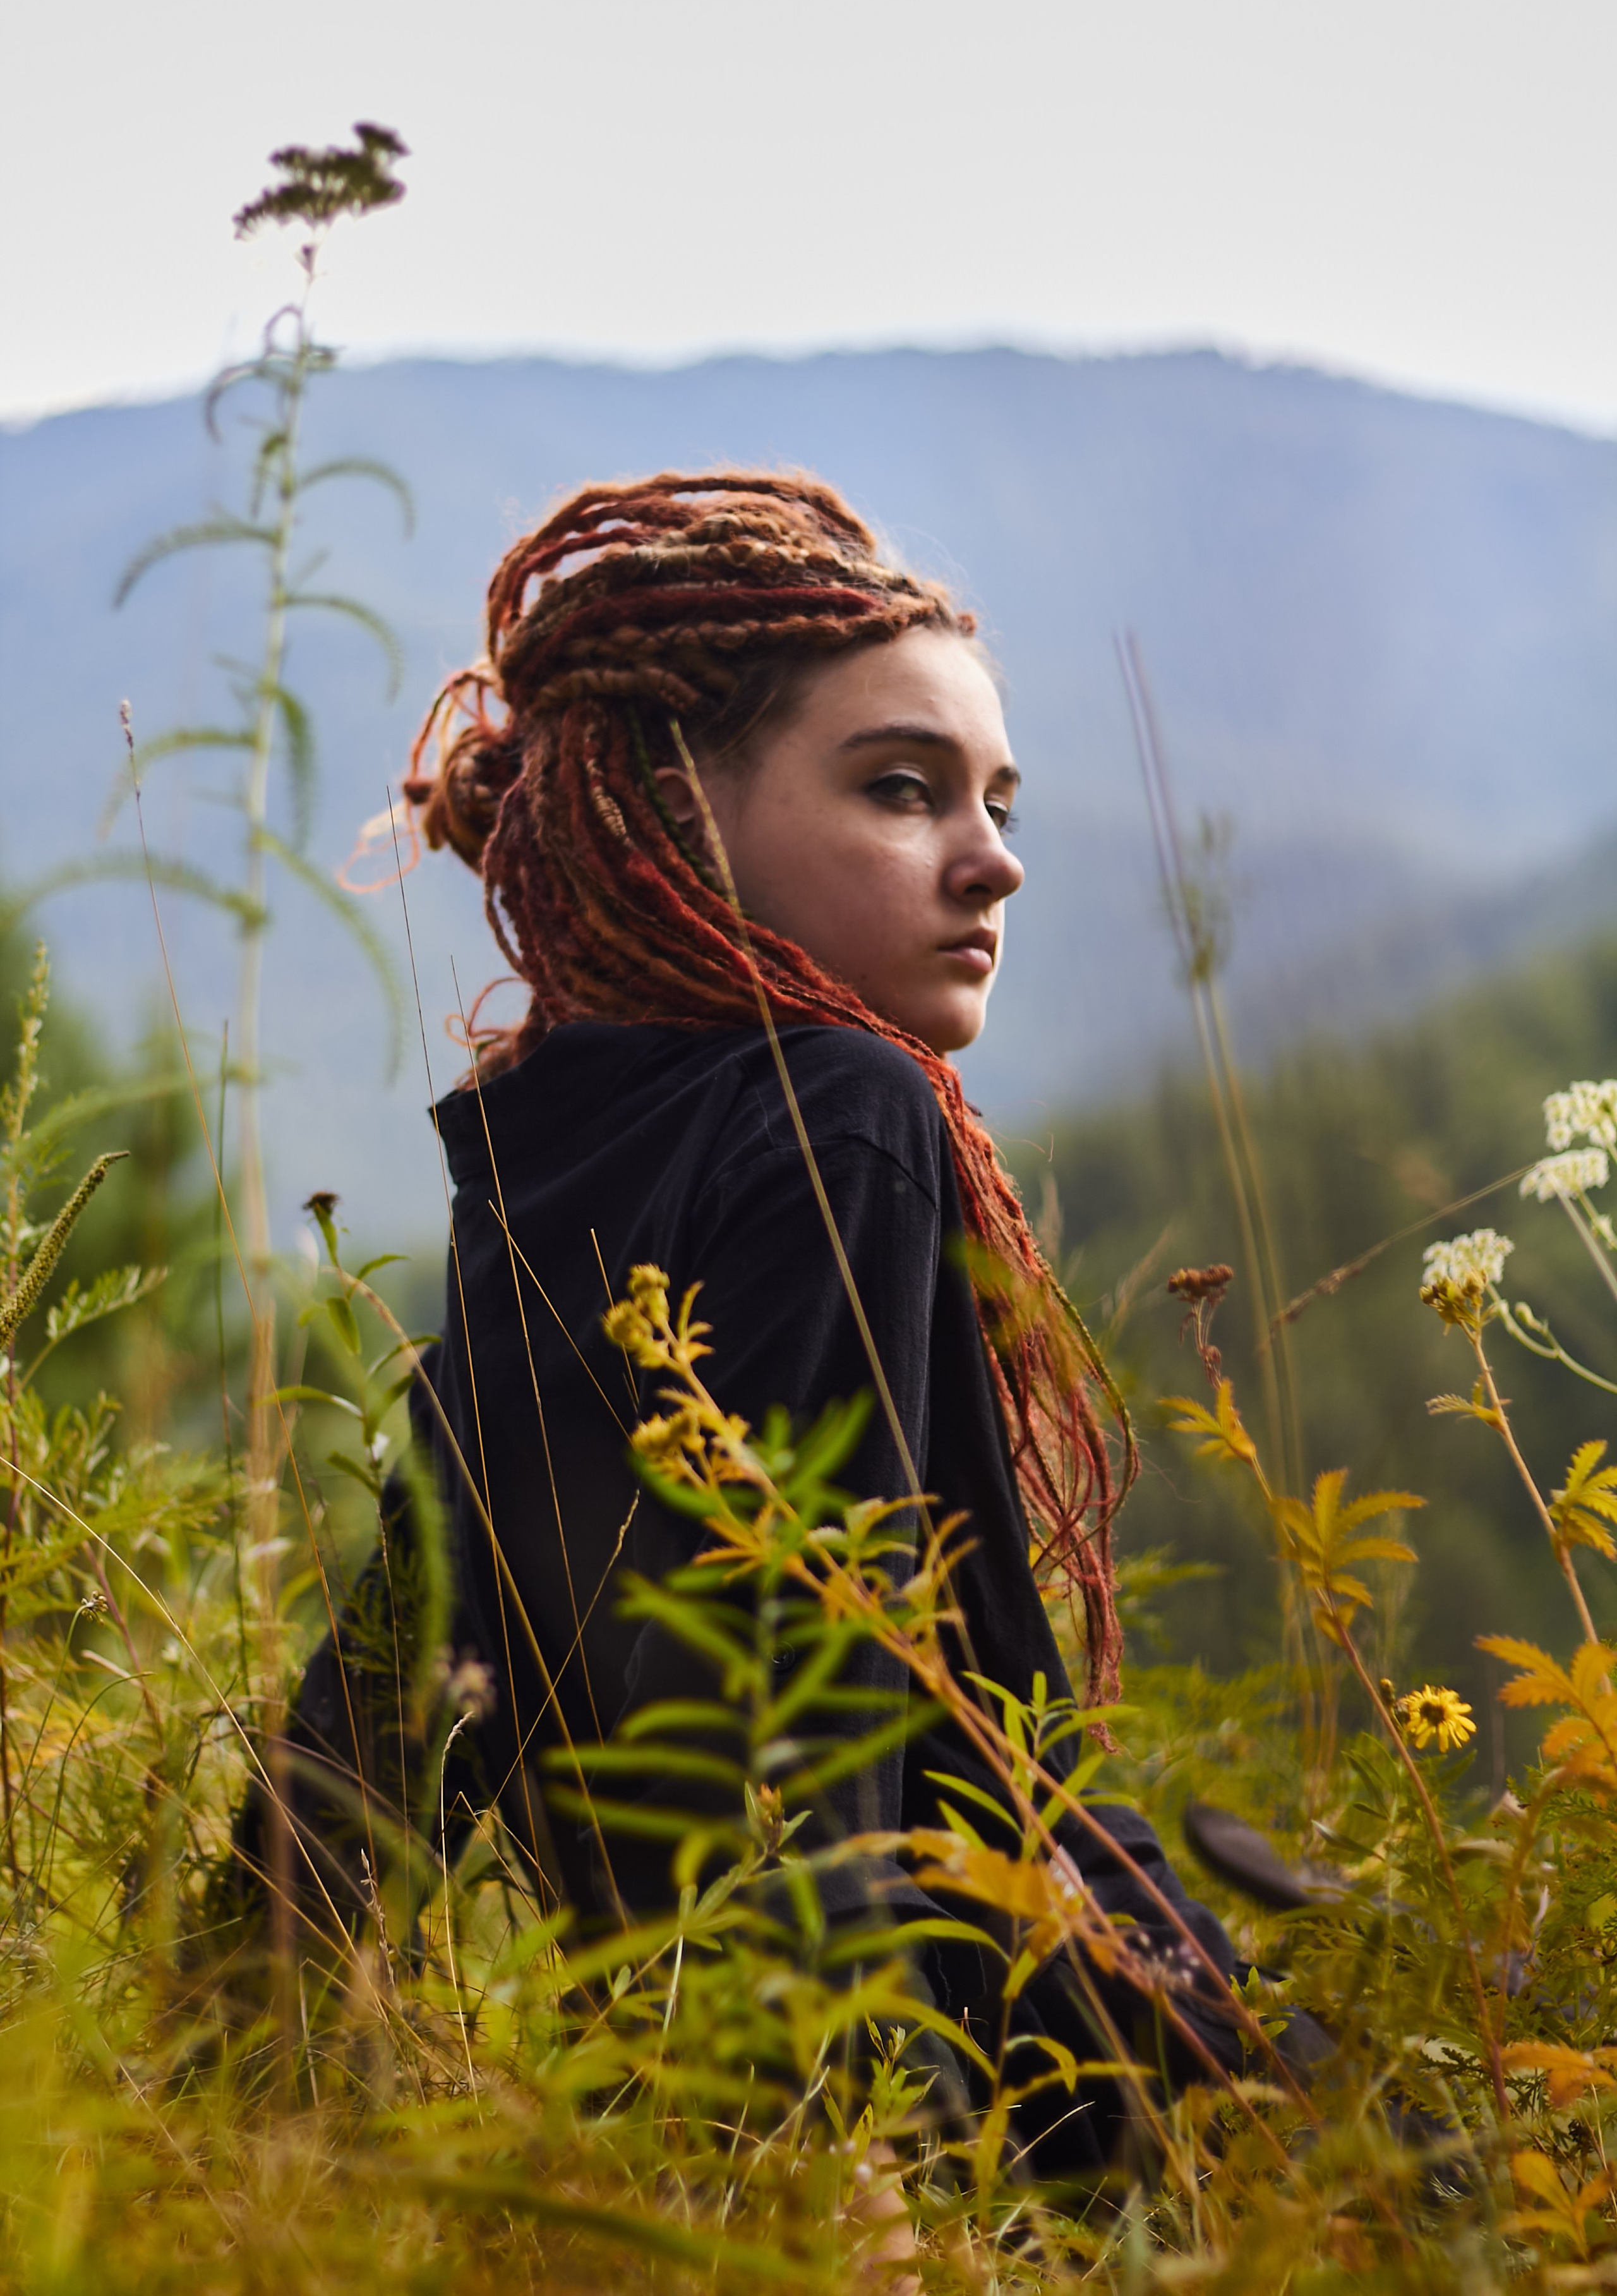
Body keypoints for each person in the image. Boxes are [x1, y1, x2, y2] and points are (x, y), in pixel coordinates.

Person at [246, 469, 1239, 2172]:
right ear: (677, 812)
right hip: (1044, 2099)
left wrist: (202, 2104)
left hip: (699, 2098)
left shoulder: (550, 1145)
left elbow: (387, 1714)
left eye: (998, 800)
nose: (993, 860)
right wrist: (857, 2181)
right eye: (903, 792)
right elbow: (818, 1677)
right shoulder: (845, 1108)